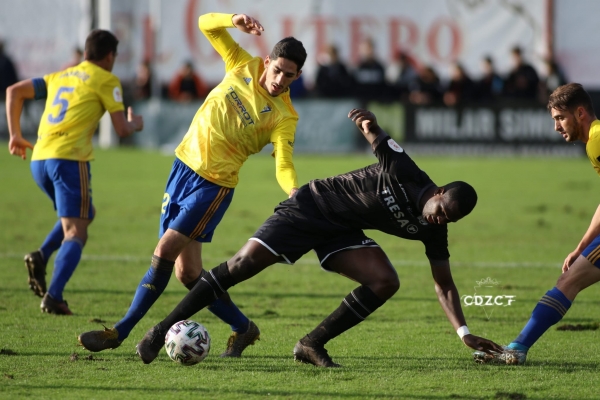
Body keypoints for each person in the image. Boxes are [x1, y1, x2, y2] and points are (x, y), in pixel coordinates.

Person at [134, 107, 503, 367]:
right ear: (437, 191)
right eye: (441, 211)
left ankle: (311, 344)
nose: (439, 220)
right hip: (313, 205)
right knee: (243, 264)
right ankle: (159, 331)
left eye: (448, 220)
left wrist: (464, 332)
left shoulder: (433, 231)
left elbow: (445, 285)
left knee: (385, 281)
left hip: (341, 231)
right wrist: (367, 122)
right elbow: (378, 137)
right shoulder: (406, 172)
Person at [78, 13, 306, 359]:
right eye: (277, 70)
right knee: (188, 273)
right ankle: (244, 328)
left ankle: (119, 332)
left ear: (297, 76)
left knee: (164, 250)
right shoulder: (242, 63)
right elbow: (205, 24)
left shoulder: (284, 115)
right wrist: (233, 20)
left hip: (213, 187)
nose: (280, 80)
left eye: (289, 76)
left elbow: (283, 163)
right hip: (181, 168)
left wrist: (292, 189)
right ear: (268, 61)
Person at [6, 29, 144, 314]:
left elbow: (14, 92)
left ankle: (41, 256)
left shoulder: (61, 75)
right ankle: (54, 297)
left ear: (84, 53)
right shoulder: (106, 79)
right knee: (76, 231)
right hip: (68, 160)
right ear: (109, 56)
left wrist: (14, 134)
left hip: (39, 159)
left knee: (85, 214)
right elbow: (121, 129)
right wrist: (135, 124)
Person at [473, 83, 600, 365]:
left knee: (568, 281)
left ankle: (518, 348)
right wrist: (581, 246)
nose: (556, 126)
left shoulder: (597, 139)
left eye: (560, 118)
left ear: (580, 113)